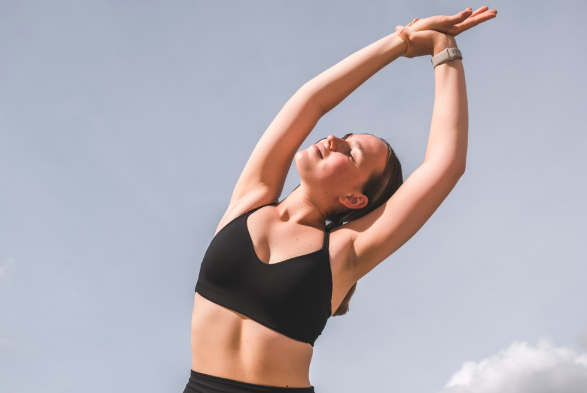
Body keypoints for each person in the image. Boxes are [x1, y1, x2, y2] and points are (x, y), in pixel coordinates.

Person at [185, 6, 497, 393]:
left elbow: (445, 164)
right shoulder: (251, 200)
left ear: (353, 198)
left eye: (350, 153)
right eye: (345, 136)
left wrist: (443, 47)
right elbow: (311, 100)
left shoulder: (344, 253)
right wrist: (400, 41)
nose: (332, 140)